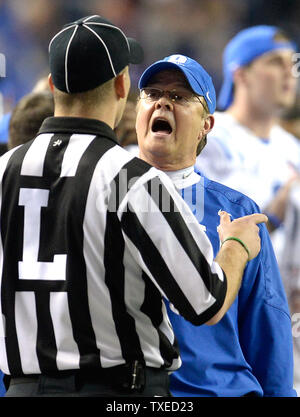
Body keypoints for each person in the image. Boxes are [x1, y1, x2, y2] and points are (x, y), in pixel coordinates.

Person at [0, 16, 265, 397]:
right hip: (114, 390)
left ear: (54, 85)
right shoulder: (133, 178)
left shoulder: (5, 170)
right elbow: (205, 302)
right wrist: (236, 246)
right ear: (123, 85)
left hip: (21, 388)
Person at [135, 53, 296, 396]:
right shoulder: (102, 196)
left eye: (178, 97)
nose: (162, 102)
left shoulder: (237, 211)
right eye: (152, 94)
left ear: (207, 124)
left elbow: (267, 326)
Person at [195, 25, 300, 233]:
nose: (290, 72)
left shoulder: (292, 147)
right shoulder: (208, 134)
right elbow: (212, 231)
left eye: (293, 63)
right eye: (276, 62)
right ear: (241, 74)